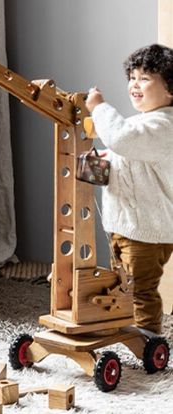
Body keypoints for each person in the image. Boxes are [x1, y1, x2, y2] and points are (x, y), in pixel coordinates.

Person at [85, 43, 173, 336]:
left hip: (147, 230)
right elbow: (120, 156)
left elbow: (121, 139)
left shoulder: (164, 126)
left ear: (170, 90)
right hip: (125, 225)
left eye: (145, 78)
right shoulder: (141, 124)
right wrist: (95, 163)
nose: (135, 84)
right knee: (123, 284)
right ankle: (127, 328)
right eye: (132, 77)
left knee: (139, 289)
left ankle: (150, 341)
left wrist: (99, 107)